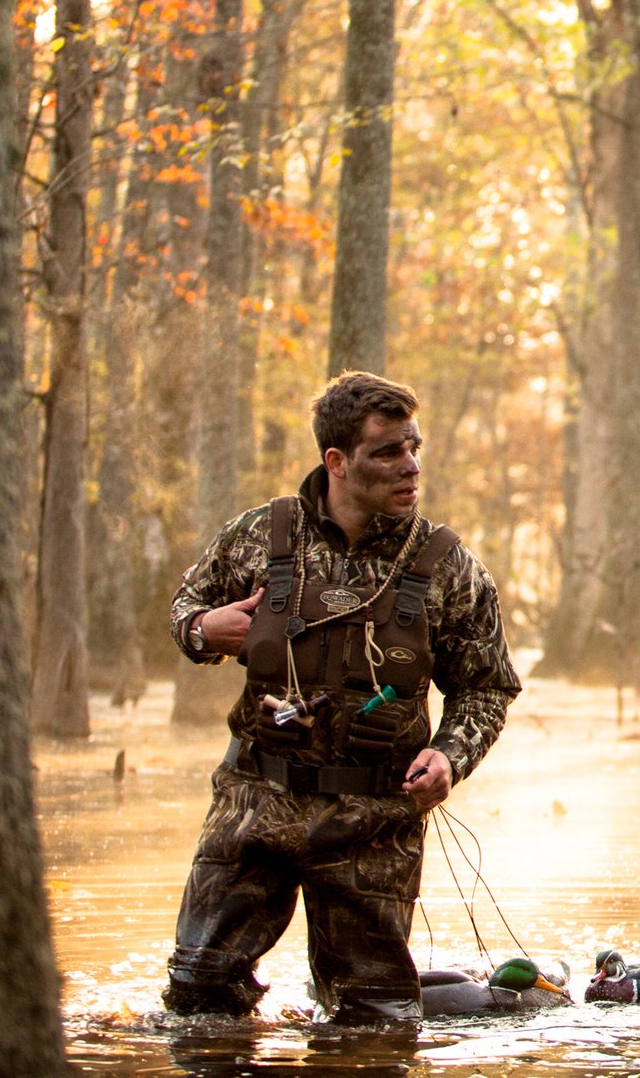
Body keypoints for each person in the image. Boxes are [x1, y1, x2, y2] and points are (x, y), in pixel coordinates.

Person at [161, 372, 522, 1023]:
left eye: (413, 446)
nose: (409, 465)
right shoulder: (260, 535)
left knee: (375, 1023)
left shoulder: (446, 564)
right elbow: (185, 606)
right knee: (197, 996)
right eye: (387, 451)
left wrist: (448, 757)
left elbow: (487, 685)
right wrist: (201, 629)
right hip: (254, 803)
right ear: (337, 461)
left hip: (374, 820)